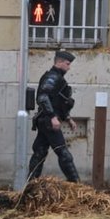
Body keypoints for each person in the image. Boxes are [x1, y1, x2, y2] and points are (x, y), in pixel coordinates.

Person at [28, 50, 80, 182]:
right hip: (48, 121)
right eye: (67, 64)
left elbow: (59, 101)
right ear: (60, 62)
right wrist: (52, 117)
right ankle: (77, 184)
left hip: (46, 120)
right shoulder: (52, 77)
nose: (69, 67)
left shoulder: (57, 78)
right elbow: (43, 97)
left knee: (39, 153)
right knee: (63, 154)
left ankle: (31, 184)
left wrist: (67, 118)